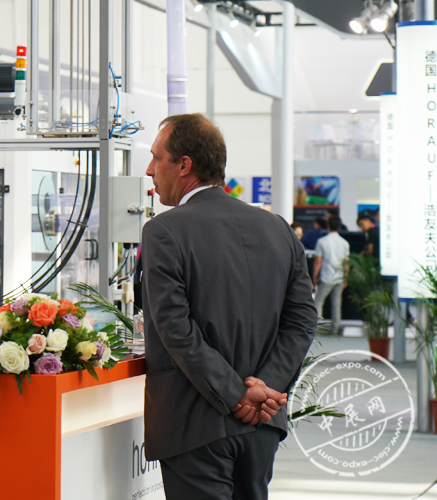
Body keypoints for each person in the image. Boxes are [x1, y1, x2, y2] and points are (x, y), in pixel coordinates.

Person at [141, 113, 317, 500]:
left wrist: (237, 394)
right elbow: (303, 320)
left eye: (157, 158)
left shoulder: (164, 231)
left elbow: (175, 328)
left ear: (184, 165)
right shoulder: (278, 229)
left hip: (193, 423)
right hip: (261, 425)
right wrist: (266, 387)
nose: (150, 169)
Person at [313, 216, 350, 335]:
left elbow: (318, 261)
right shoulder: (344, 243)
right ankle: (335, 328)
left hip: (326, 276)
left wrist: (314, 276)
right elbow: (346, 262)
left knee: (319, 301)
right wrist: (346, 277)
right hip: (339, 277)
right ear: (339, 227)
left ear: (327, 226)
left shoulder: (322, 241)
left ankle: (317, 327)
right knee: (336, 303)